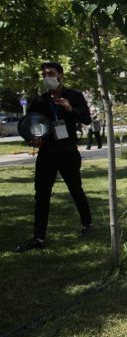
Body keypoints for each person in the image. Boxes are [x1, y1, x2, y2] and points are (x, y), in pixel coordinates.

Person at [15, 62, 93, 253]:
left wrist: (70, 109)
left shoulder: (74, 96)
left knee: (75, 188)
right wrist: (33, 140)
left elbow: (86, 119)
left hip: (68, 151)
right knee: (41, 194)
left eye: (50, 73)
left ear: (61, 75)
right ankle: (39, 237)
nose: (46, 77)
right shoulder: (40, 101)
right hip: (47, 152)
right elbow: (32, 126)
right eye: (44, 74)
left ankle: (87, 225)